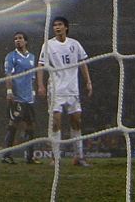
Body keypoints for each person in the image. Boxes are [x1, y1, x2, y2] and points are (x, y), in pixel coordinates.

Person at [36, 16, 93, 167]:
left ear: (66, 27)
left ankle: (79, 157)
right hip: (55, 89)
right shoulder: (48, 45)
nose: (57, 27)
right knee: (56, 122)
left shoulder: (75, 44)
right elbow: (40, 65)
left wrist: (88, 81)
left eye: (60, 25)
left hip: (73, 89)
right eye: (55, 25)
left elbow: (83, 63)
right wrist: (40, 85)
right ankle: (56, 158)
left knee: (77, 121)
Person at [2, 32, 40, 164]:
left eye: (20, 38)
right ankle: (6, 156)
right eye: (15, 39)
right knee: (13, 124)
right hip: (17, 97)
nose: (17, 41)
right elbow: (8, 75)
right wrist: (9, 91)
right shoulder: (11, 56)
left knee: (31, 126)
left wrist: (33, 92)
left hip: (29, 98)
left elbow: (33, 77)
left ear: (26, 41)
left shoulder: (32, 57)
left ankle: (30, 157)